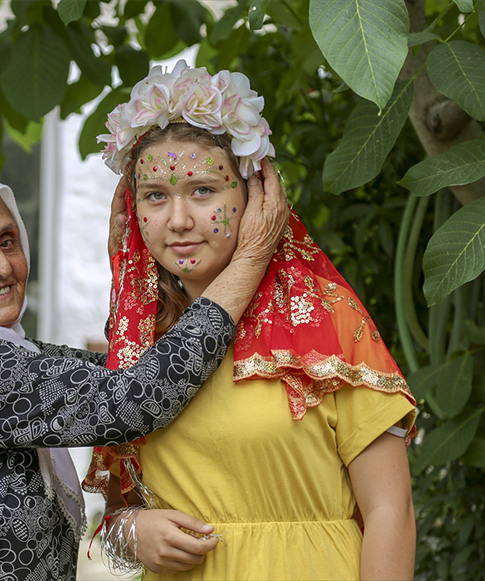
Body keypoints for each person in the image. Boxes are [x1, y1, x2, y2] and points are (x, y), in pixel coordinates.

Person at [0, 175, 287, 580]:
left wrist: (131, 271)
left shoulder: (1, 356)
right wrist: (250, 259)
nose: (0, 265)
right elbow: (135, 397)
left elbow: (122, 372)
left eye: (8, 241)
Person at [82, 61, 417, 580]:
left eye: (202, 190)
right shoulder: (139, 338)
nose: (178, 220)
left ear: (257, 196)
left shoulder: (327, 319)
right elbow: (121, 506)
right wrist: (134, 533)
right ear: (132, 210)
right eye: (155, 196)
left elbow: (390, 513)